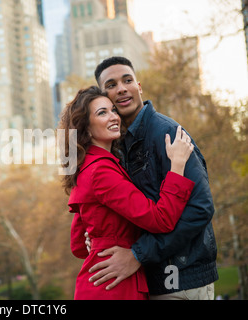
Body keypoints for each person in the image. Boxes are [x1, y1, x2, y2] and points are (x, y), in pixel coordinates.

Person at [87, 56, 218, 300]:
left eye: (127, 80)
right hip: (150, 281)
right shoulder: (117, 146)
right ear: (105, 98)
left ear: (139, 87)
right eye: (112, 84)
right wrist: (100, 235)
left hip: (182, 280)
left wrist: (138, 254)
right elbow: (137, 210)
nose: (122, 88)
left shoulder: (166, 133)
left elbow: (200, 208)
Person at [58, 85, 195, 299]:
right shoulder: (101, 171)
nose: (114, 117)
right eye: (102, 113)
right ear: (85, 128)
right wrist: (177, 166)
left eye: (113, 110)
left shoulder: (86, 167)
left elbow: (78, 245)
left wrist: (99, 239)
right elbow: (161, 220)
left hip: (102, 282)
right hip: (114, 288)